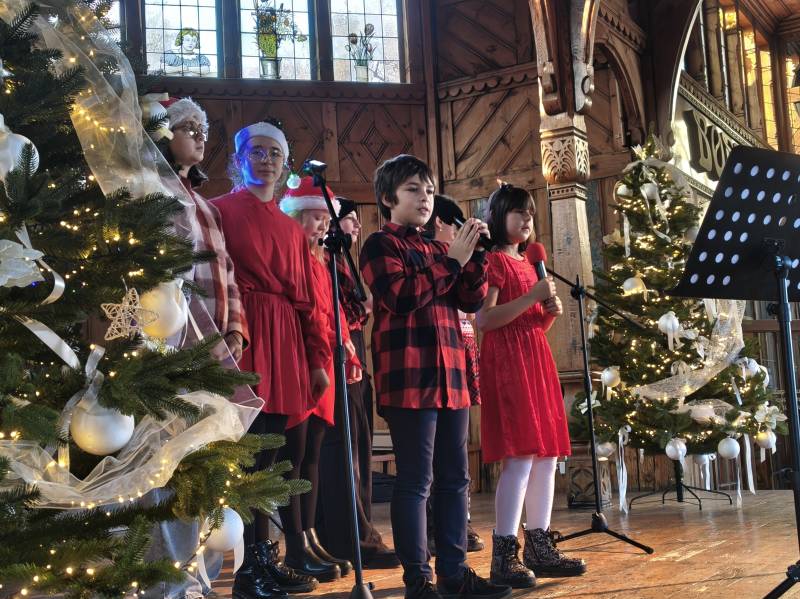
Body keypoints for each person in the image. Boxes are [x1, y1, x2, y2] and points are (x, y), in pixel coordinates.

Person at [359, 154, 511, 599]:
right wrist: (454, 260)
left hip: (452, 379)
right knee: (415, 481)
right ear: (388, 198)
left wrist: (475, 257)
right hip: (409, 381)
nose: (425, 198)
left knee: (455, 479)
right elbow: (402, 297)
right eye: (413, 189)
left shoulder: (439, 249)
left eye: (429, 190)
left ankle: (454, 574)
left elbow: (469, 301)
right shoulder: (379, 245)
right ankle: (417, 580)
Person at [211, 122, 332, 599]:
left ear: (285, 165)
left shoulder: (290, 229)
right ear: (239, 159)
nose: (266, 161)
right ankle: (248, 569)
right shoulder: (219, 210)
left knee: (278, 453)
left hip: (286, 341)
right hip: (244, 333)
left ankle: (266, 557)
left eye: (275, 154)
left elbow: (309, 305)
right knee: (250, 453)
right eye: (257, 152)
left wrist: (318, 360)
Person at [139, 96, 247, 599]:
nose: (201, 137)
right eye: (188, 128)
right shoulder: (149, 193)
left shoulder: (206, 206)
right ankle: (164, 574)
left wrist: (236, 329)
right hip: (169, 347)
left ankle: (195, 572)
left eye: (203, 129)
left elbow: (227, 272)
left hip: (212, 348)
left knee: (204, 462)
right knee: (166, 460)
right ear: (162, 133)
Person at [476, 184, 586, 589]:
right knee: (521, 454)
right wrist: (532, 298)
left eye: (531, 214)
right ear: (498, 216)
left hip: (535, 358)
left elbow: (531, 323)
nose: (526, 220)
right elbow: (485, 320)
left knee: (546, 455)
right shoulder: (493, 261)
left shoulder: (529, 263)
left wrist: (548, 312)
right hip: (507, 363)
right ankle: (504, 554)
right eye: (518, 212)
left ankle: (539, 544)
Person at [278, 177, 364, 580]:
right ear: (295, 217)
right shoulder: (292, 258)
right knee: (294, 457)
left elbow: (335, 309)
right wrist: (332, 340)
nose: (321, 226)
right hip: (301, 360)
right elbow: (307, 311)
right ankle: (295, 544)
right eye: (314, 218)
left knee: (312, 452)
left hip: (326, 360)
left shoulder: (322, 260)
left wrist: (347, 346)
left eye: (324, 220)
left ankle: (311, 538)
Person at [314, 198, 401, 569]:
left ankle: (358, 534)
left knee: (357, 447)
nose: (357, 226)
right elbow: (339, 310)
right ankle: (352, 540)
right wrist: (364, 307)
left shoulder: (342, 261)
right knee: (342, 449)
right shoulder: (324, 260)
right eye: (350, 219)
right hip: (336, 355)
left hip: (352, 354)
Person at [422, 195, 485, 556]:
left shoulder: (459, 260)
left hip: (461, 357)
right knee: (433, 456)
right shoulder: (433, 258)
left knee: (456, 452)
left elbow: (471, 305)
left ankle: (460, 522)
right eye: (456, 224)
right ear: (440, 224)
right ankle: (434, 526)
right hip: (433, 364)